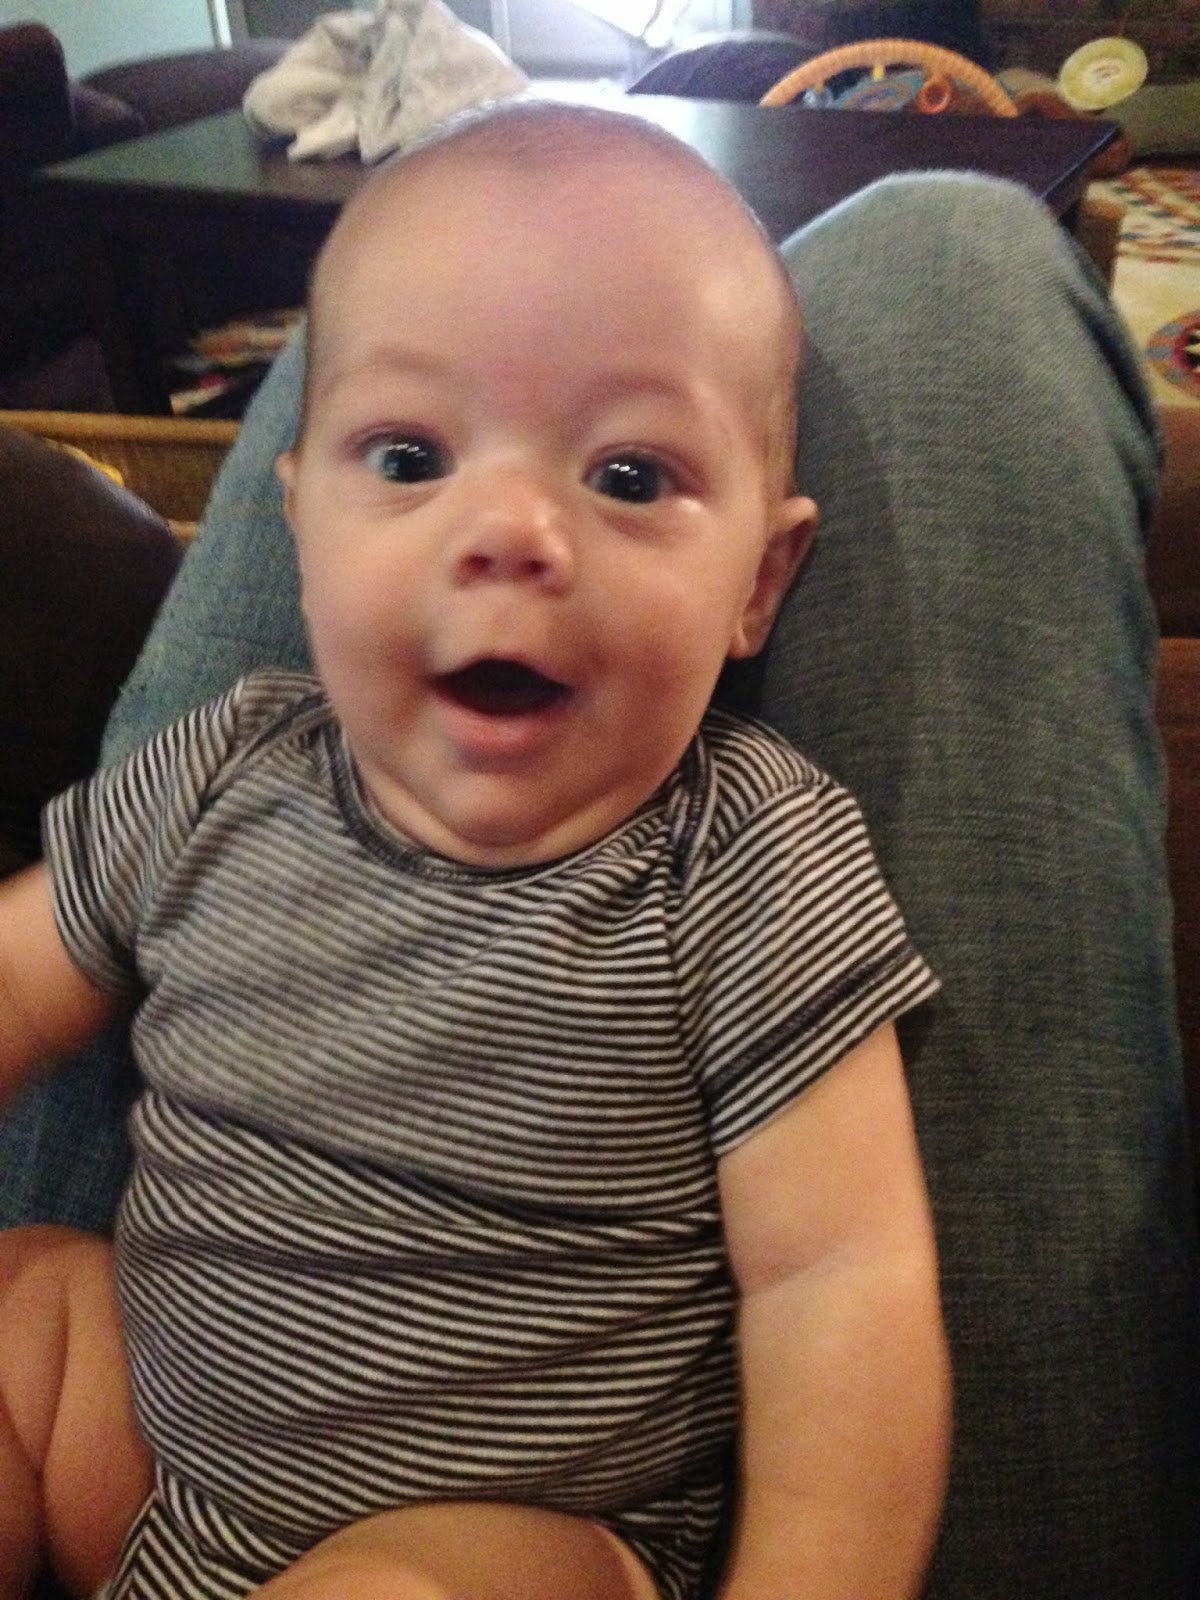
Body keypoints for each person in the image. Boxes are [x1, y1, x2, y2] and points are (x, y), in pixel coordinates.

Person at [0, 102, 951, 1600]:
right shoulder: (222, 770)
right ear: (294, 524)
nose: (508, 531)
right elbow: (14, 979)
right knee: (22, 1306)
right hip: (148, 1461)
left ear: (759, 583)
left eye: (628, 477)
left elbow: (843, 1288)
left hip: (514, 1538)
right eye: (409, 454)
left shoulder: (747, 860)